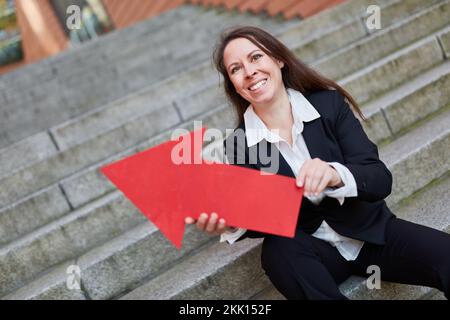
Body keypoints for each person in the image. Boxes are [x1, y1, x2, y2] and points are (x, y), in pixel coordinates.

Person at [185, 26, 450, 300]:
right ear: (234, 86)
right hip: (314, 256)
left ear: (278, 59)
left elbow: (379, 178)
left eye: (255, 57)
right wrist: (231, 222)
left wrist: (335, 174)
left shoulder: (328, 104)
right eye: (236, 69)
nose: (249, 71)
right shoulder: (239, 144)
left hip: (371, 234)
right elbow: (262, 218)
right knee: (278, 249)